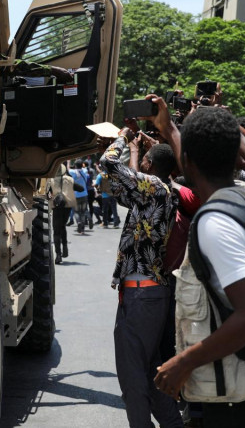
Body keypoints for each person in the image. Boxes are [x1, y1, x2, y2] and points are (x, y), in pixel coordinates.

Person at [153, 106, 245, 427]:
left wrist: (184, 362)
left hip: (239, 398)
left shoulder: (215, 225)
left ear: (188, 164)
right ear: (236, 159)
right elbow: (201, 169)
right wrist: (169, 128)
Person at [100, 103, 184, 428]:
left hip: (142, 297)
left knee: (133, 383)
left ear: (150, 166)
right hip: (145, 295)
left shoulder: (153, 189)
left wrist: (121, 138)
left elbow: (107, 164)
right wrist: (138, 149)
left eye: (144, 161)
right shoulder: (159, 192)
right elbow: (119, 188)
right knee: (150, 375)